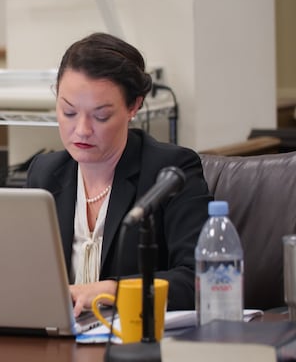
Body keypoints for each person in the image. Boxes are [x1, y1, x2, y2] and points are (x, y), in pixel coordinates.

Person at [25, 32, 212, 316]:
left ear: (133, 106)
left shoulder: (170, 172)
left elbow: (198, 279)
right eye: (69, 112)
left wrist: (109, 290)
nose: (83, 130)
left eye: (101, 116)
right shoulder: (45, 173)